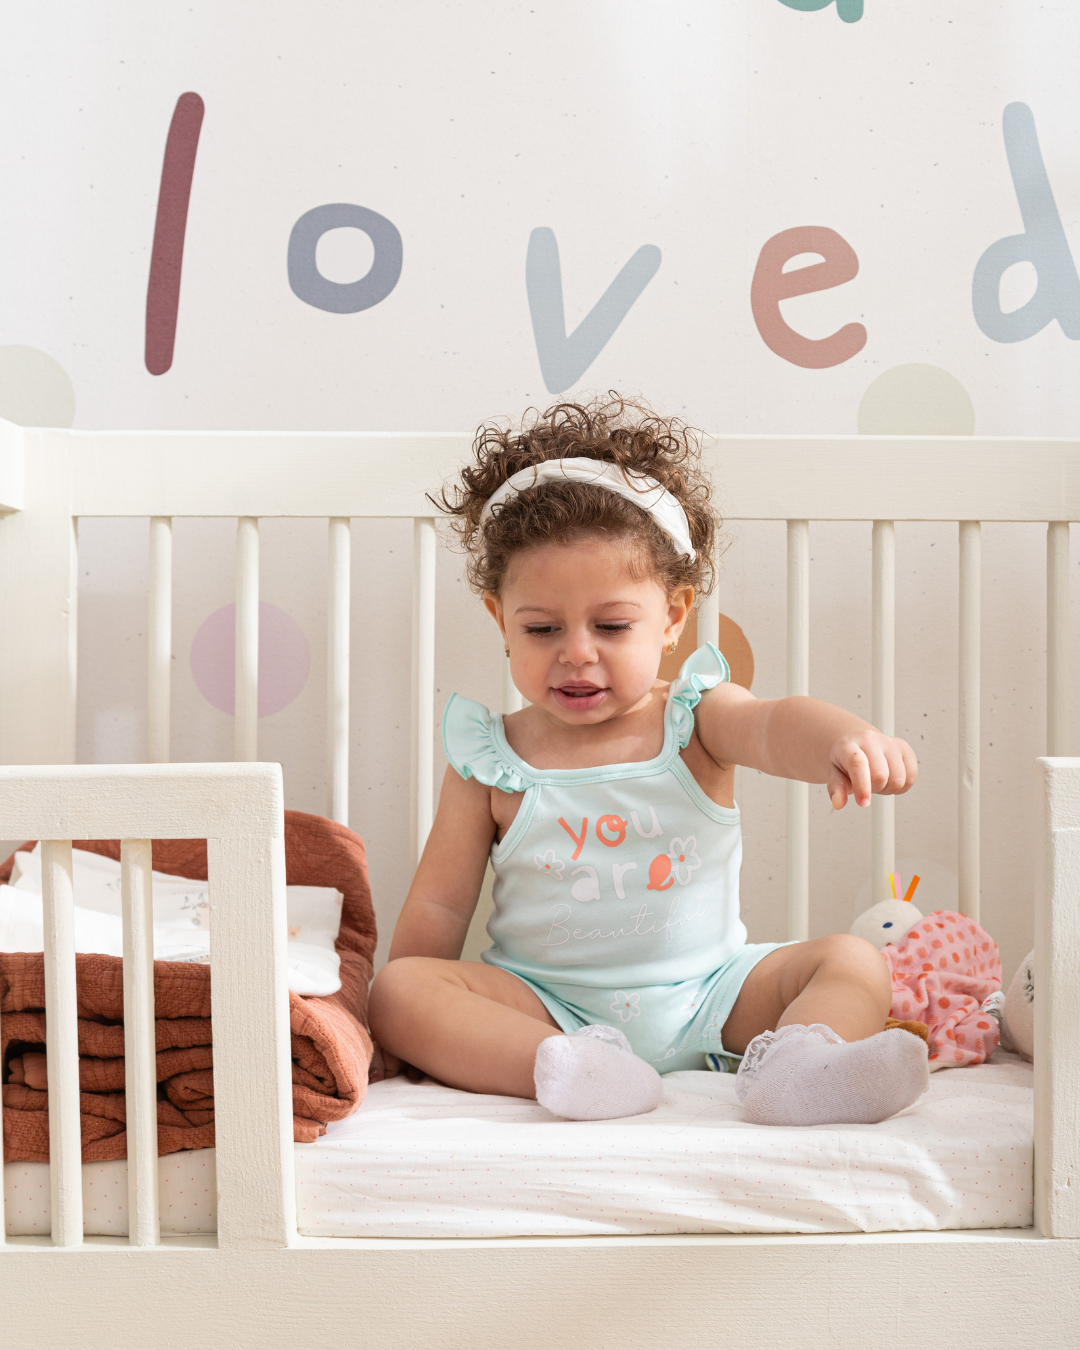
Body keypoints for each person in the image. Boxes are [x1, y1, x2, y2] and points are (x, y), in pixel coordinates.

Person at [368, 395, 927, 1126]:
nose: (577, 652)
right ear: (500, 619)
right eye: (542, 629)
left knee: (852, 960)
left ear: (671, 618)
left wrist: (843, 739)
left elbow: (772, 725)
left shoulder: (694, 719)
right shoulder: (491, 759)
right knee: (400, 990)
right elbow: (439, 906)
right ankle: (570, 1071)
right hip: (547, 1006)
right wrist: (406, 1021)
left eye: (611, 625)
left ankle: (797, 1069)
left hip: (714, 995)